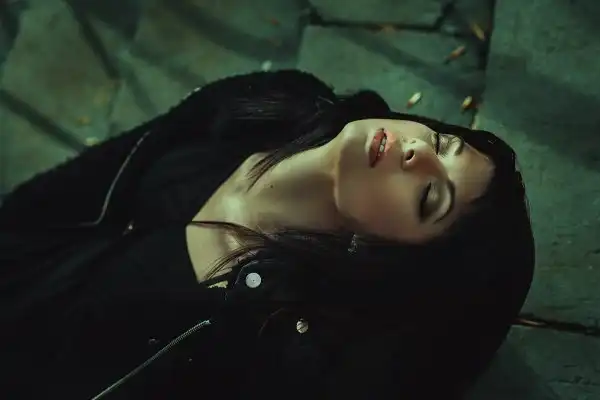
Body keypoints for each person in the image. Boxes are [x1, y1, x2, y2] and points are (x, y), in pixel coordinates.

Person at [0, 70, 534, 400]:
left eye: (429, 198)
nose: (417, 154)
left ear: (391, 258)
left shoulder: (268, 339)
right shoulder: (280, 102)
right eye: (442, 145)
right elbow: (81, 180)